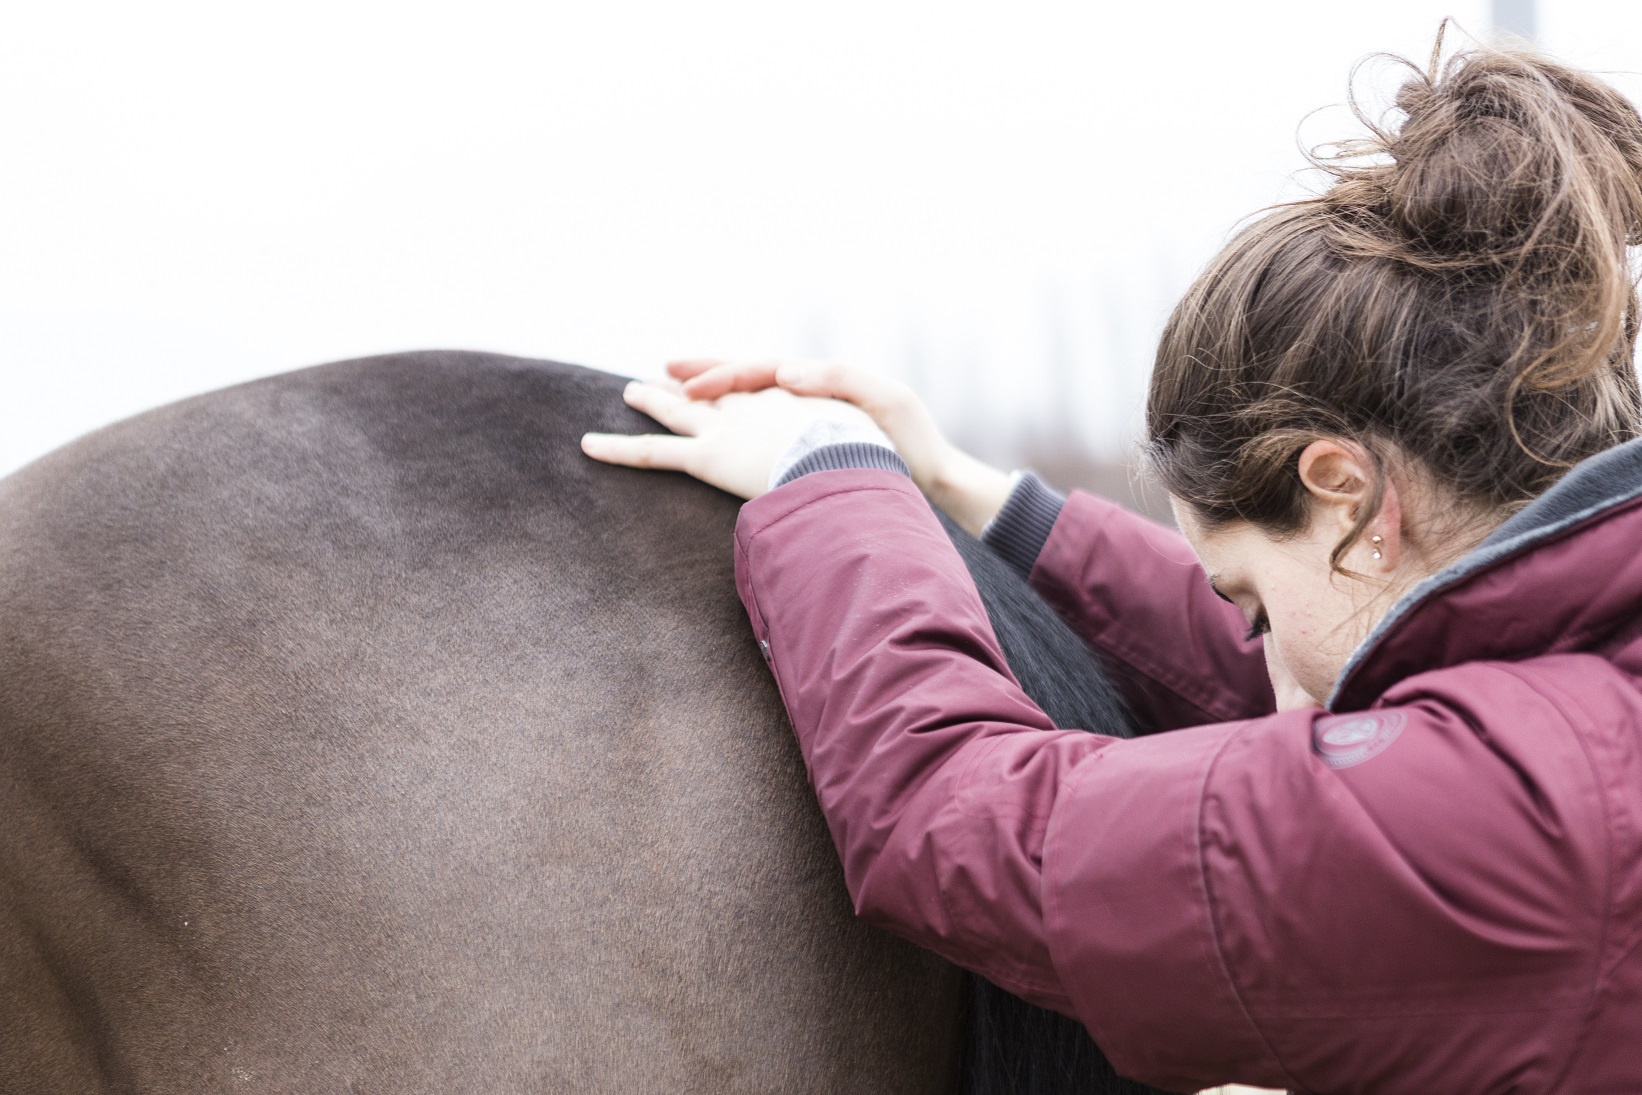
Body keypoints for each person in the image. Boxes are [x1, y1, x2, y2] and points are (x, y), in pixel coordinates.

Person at [580, 38, 1642, 1094]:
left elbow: (965, 823)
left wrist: (831, 478)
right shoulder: (1590, 705)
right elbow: (1383, 678)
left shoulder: (1525, 811)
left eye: (1255, 609)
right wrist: (973, 496)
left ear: (1348, 495)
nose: (1271, 691)